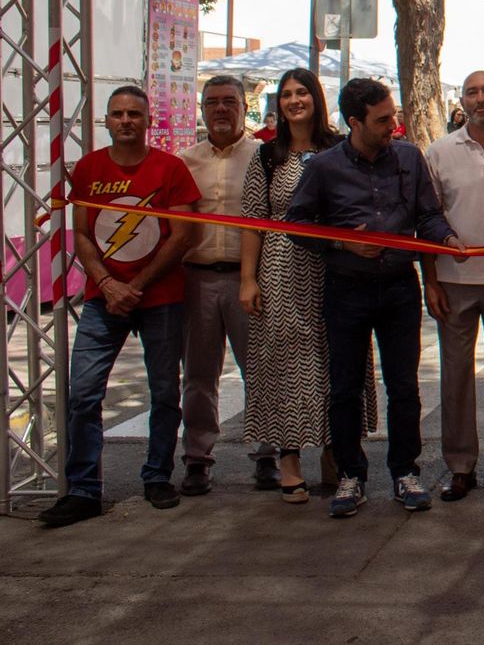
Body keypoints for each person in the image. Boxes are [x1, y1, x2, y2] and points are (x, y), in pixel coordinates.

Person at [286, 78, 463, 518]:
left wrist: (448, 240)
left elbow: (428, 216)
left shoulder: (409, 157)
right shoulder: (323, 167)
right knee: (344, 388)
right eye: (383, 120)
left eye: (394, 116)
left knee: (403, 386)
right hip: (346, 290)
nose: (394, 126)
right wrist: (343, 244)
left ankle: (405, 472)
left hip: (401, 287)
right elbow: (297, 226)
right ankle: (351, 475)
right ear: (354, 122)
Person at [40, 86, 201, 527]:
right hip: (102, 300)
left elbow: (182, 235)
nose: (126, 120)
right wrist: (109, 284)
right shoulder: (89, 169)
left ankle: (157, 476)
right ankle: (84, 489)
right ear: (107, 121)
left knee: (165, 391)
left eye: (134, 113)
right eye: (117, 114)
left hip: (161, 298)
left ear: (149, 120)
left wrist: (139, 284)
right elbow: (84, 235)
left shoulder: (171, 168)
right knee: (83, 394)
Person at [239, 67, 375, 504]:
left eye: (302, 93)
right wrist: (247, 278)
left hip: (335, 264)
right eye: (286, 95)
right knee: (283, 363)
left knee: (338, 359)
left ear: (317, 98)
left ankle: (338, 454)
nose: (294, 101)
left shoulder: (339, 148)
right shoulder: (266, 155)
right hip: (280, 267)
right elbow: (252, 222)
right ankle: (290, 460)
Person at [423, 71, 484, 502]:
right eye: (472, 92)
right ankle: (460, 466)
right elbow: (426, 220)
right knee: (455, 378)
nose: (481, 99)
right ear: (461, 100)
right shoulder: (440, 152)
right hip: (453, 281)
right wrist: (430, 280)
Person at [176, 75, 277, 496]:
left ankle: (268, 455)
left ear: (243, 107)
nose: (220, 109)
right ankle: (198, 459)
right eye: (212, 102)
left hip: (247, 280)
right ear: (201, 108)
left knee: (261, 370)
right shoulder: (184, 161)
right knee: (198, 375)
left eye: (229, 102)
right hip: (197, 279)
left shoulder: (265, 157)